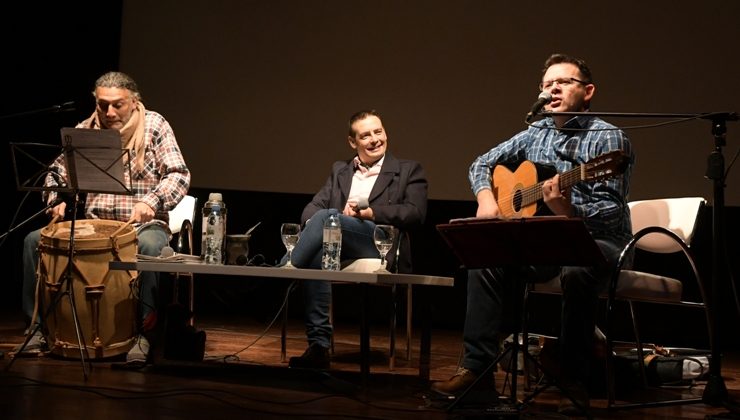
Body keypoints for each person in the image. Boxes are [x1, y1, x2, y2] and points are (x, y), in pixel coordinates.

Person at [430, 54, 634, 416]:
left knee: (577, 269)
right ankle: (477, 373)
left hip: (602, 242)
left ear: (587, 92)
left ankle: (574, 379)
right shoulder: (535, 132)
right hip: (546, 240)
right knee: (486, 259)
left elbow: (612, 213)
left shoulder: (608, 138)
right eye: (546, 84)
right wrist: (486, 199)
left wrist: (567, 212)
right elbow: (480, 163)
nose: (552, 88)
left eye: (563, 82)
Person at [19, 71, 191, 364]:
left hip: (142, 225)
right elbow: (55, 172)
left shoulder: (154, 125)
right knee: (33, 240)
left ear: (134, 102)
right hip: (95, 225)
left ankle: (143, 334)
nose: (109, 112)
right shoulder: (86, 129)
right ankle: (37, 329)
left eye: (117, 105)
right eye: (102, 105)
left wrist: (151, 202)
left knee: (149, 249)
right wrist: (56, 198)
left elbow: (178, 174)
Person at [287, 109, 428, 369]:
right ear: (353, 142)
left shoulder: (408, 170)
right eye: (366, 135)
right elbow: (311, 208)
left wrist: (371, 212)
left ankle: (285, 267)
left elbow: (415, 213)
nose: (375, 139)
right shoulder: (340, 171)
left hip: (380, 243)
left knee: (328, 219)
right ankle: (319, 346)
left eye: (379, 131)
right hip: (338, 241)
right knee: (319, 249)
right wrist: (336, 218)